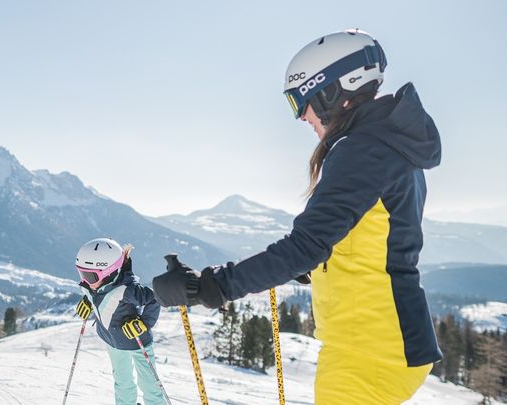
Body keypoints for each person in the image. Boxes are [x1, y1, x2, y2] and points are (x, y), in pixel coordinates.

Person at [153, 29, 442, 404]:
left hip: (368, 353)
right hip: (381, 343)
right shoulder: (385, 145)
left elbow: (307, 245)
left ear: (333, 91)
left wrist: (208, 287)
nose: (301, 115)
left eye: (301, 100)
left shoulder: (364, 151)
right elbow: (369, 236)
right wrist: (312, 267)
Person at [75, 238, 164, 405]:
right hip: (111, 340)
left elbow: (155, 298)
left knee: (149, 384)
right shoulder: (92, 285)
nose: (85, 281)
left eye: (89, 276)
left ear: (109, 271)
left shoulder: (128, 290)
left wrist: (144, 324)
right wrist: (88, 302)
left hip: (137, 341)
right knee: (122, 382)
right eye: (82, 273)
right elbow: (97, 296)